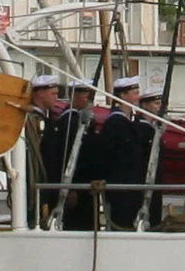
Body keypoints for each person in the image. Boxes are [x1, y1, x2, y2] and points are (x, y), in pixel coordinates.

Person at [89, 77, 156, 231]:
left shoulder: (126, 122)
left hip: (129, 186)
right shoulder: (116, 123)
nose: (138, 97)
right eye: (134, 93)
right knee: (122, 221)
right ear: (123, 96)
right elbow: (111, 156)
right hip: (120, 187)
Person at [27, 78, 82, 229]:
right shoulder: (34, 122)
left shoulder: (48, 122)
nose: (56, 98)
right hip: (42, 189)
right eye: (53, 93)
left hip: (50, 188)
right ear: (39, 95)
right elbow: (43, 161)